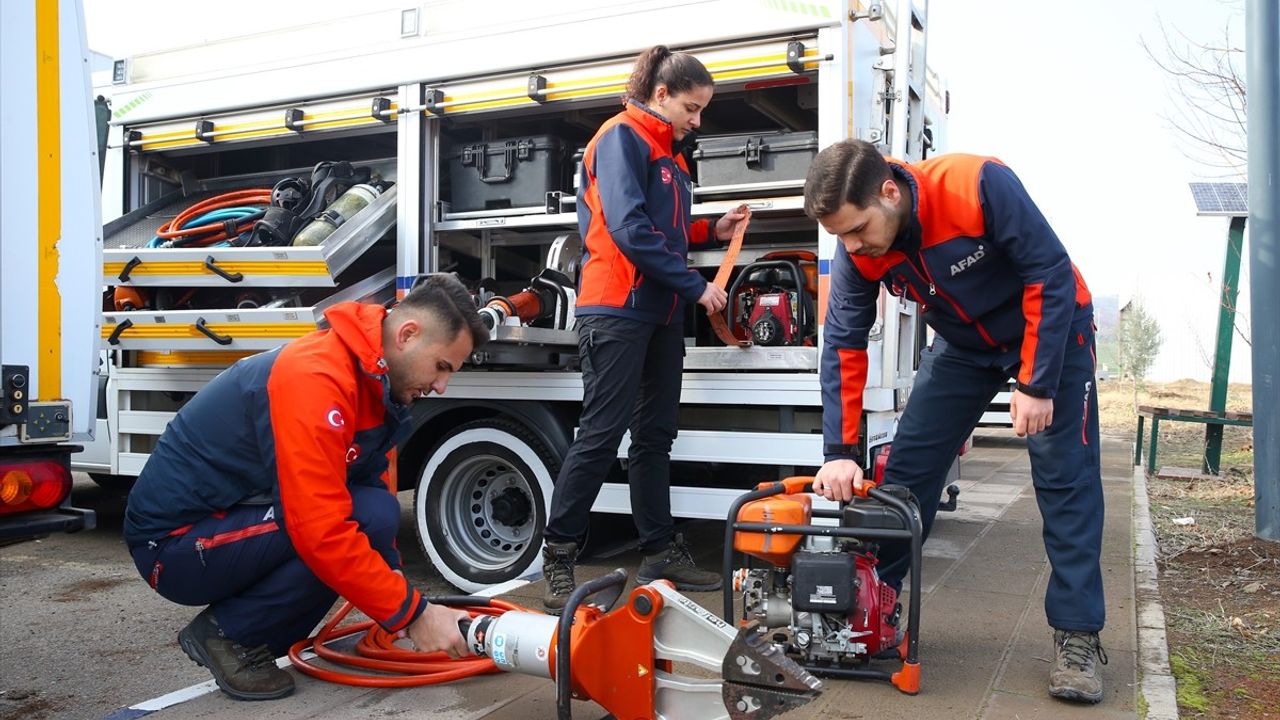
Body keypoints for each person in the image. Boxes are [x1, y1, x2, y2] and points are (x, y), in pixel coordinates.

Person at [804, 139, 1107, 704]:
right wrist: (840, 450)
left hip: (1053, 332)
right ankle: (872, 610)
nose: (852, 246)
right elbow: (843, 341)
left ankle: (1078, 636)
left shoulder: (976, 184)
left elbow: (1049, 271)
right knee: (906, 475)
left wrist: (1036, 383)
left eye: (858, 229)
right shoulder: (859, 247)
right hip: (965, 345)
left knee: (1066, 481)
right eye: (840, 236)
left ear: (889, 192)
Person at [123, 274, 489, 701]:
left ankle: (255, 635)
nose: (441, 385)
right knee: (332, 527)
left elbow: (368, 491)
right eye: (443, 366)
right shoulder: (316, 376)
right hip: (174, 546)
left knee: (375, 511)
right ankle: (228, 636)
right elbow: (318, 526)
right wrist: (415, 614)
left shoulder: (369, 381)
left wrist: (393, 585)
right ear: (408, 335)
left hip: (228, 522)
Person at [539, 45, 748, 612]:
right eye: (691, 107)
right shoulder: (620, 138)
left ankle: (659, 551)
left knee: (655, 437)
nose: (696, 120)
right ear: (661, 95)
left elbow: (665, 230)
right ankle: (557, 556)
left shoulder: (671, 157)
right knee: (602, 434)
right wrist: (696, 287)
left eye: (702, 110)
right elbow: (629, 229)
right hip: (614, 308)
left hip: (657, 314)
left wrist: (710, 228)